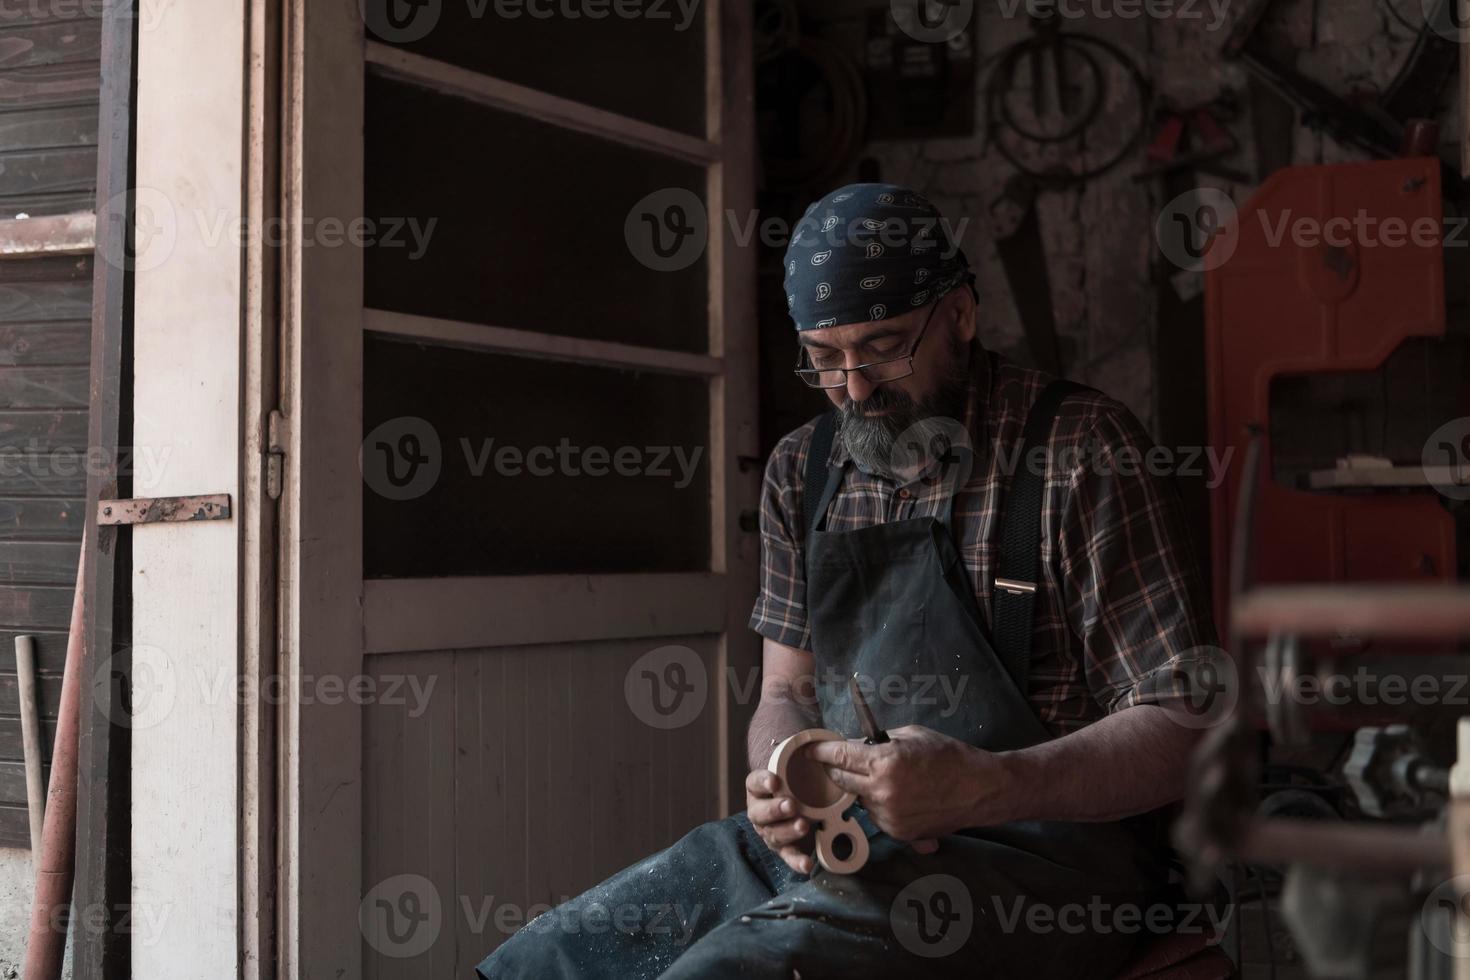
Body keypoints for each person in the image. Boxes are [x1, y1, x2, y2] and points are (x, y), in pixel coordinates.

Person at [477, 182, 1219, 979]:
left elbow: (1188, 727)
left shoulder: (1080, 451)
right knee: (547, 960)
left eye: (884, 346)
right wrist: (780, 781)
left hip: (1054, 866)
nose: (856, 387)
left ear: (961, 316)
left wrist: (992, 786)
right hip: (853, 839)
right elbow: (785, 696)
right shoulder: (805, 468)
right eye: (825, 358)